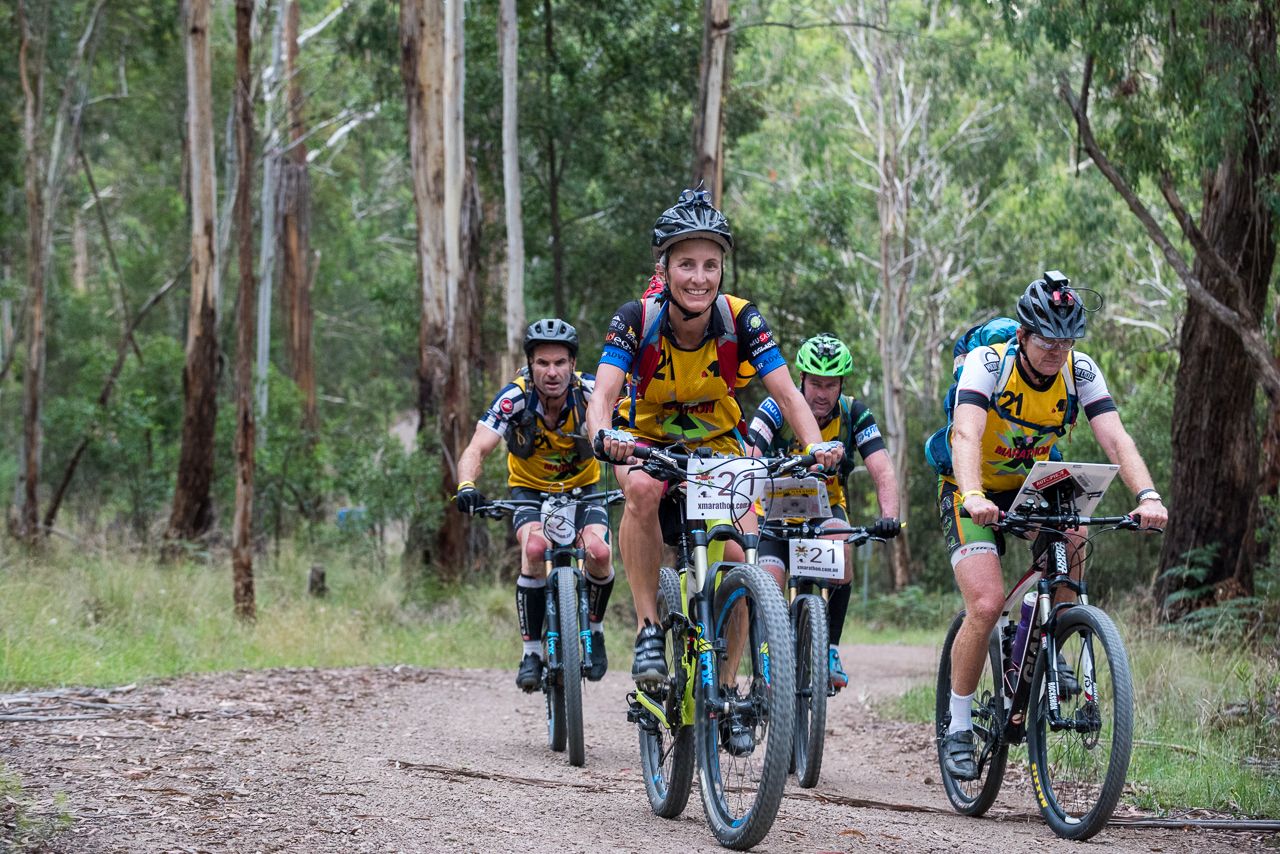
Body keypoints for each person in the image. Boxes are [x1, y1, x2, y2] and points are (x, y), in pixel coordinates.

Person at [586, 185, 843, 686]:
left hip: (718, 441)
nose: (699, 278)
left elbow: (790, 395)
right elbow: (603, 393)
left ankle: (726, 688)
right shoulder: (636, 318)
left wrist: (816, 446)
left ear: (722, 268)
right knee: (639, 488)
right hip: (643, 436)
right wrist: (603, 434)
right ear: (664, 270)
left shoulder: (740, 318)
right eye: (686, 264)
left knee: (742, 555)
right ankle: (646, 630)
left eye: (710, 264)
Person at [937, 272, 1167, 780]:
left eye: (1066, 341)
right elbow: (966, 432)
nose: (1056, 351)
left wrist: (1147, 495)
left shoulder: (1079, 371)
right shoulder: (989, 363)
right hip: (969, 488)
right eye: (1046, 340)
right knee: (984, 604)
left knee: (1076, 533)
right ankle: (956, 726)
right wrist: (973, 494)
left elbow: (1116, 439)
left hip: (1032, 485)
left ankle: (1048, 638)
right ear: (1023, 334)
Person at [455, 319, 615, 691]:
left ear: (573, 364)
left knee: (600, 552)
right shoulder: (514, 398)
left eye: (560, 362)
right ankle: (531, 652)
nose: (552, 372)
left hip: (583, 490)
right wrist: (467, 485)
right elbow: (477, 447)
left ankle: (595, 628)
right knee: (535, 547)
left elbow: (623, 433)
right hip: (529, 492)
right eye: (543, 363)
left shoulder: (590, 392)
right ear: (529, 364)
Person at [747, 332, 901, 690]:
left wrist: (889, 516)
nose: (821, 392)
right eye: (815, 382)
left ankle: (830, 646)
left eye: (830, 384)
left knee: (842, 550)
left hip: (823, 510)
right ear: (801, 379)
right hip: (773, 512)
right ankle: (767, 655)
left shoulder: (854, 414)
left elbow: (882, 468)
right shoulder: (775, 408)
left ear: (841, 384)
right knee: (769, 577)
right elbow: (749, 458)